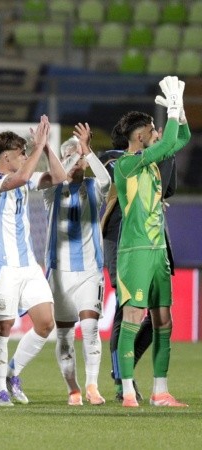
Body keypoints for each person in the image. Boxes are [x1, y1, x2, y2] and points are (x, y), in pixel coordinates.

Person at [113, 76, 190, 408]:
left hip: (158, 252)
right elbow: (167, 141)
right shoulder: (127, 164)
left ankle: (160, 391)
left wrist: (181, 111)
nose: (158, 135)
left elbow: (181, 137)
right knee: (133, 316)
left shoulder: (151, 163)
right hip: (135, 252)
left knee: (164, 321)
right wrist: (171, 108)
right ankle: (128, 390)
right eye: (153, 132)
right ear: (141, 136)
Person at [0, 115, 67, 407]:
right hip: (0, 266)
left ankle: (12, 372)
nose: (26, 157)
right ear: (6, 157)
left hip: (27, 265)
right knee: (2, 328)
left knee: (45, 323)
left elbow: (58, 178)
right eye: (22, 153)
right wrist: (38, 145)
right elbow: (22, 177)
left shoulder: (23, 180)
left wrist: (46, 149)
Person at [102, 141, 177, 404]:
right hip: (124, 242)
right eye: (150, 133)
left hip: (155, 243)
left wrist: (168, 151)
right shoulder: (118, 161)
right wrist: (86, 155)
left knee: (158, 319)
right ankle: (123, 382)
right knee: (127, 313)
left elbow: (168, 190)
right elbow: (103, 179)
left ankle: (132, 373)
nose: (156, 136)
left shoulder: (157, 160)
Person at [43, 124, 110, 406]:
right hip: (60, 275)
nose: (79, 161)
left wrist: (88, 150)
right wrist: (59, 153)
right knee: (65, 337)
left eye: (80, 157)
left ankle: (93, 385)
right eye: (72, 157)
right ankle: (73, 388)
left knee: (91, 329)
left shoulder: (96, 188)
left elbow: (106, 179)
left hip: (90, 271)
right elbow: (56, 174)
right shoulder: (52, 192)